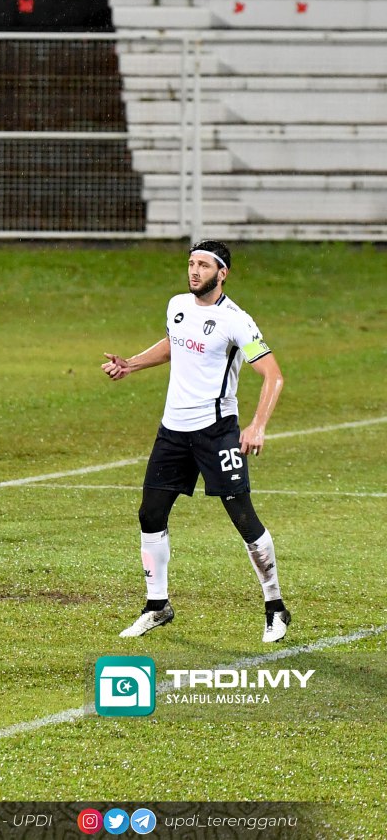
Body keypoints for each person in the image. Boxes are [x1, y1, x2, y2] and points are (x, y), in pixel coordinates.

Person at [101, 240, 290, 643]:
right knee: (150, 514)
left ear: (222, 273)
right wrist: (130, 365)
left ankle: (275, 607)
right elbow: (174, 344)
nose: (194, 271)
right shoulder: (177, 305)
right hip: (173, 430)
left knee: (243, 518)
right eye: (191, 263)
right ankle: (157, 606)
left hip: (217, 431)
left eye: (203, 265)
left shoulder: (236, 320)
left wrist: (256, 425)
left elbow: (273, 375)